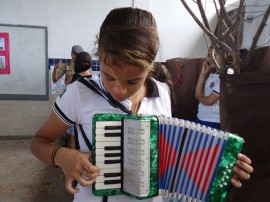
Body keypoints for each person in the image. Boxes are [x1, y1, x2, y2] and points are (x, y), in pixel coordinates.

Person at [30, 7, 253, 202]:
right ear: (100, 57)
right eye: (109, 76)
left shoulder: (162, 93)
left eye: (133, 81)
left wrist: (217, 165)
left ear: (150, 66)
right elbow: (39, 142)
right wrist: (61, 156)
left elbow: (170, 157)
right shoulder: (79, 93)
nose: (118, 90)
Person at [195, 46, 221, 130]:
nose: (211, 58)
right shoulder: (212, 74)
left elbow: (210, 101)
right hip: (200, 117)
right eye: (209, 55)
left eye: (215, 55)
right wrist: (203, 74)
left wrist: (200, 99)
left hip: (213, 120)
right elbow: (198, 94)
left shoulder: (225, 76)